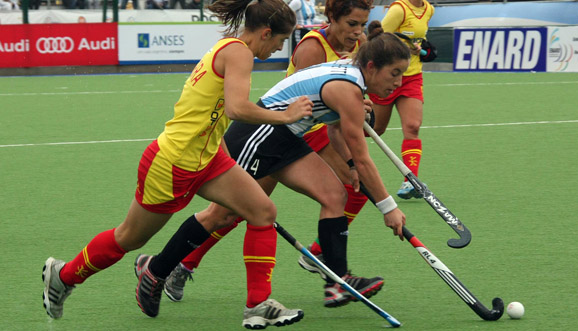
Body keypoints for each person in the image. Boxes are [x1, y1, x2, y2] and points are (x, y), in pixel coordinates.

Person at [42, 0, 313, 328]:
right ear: (266, 32)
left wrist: (222, 152)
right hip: (172, 163)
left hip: (207, 158)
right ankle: (63, 276)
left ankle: (257, 304)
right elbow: (236, 109)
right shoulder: (239, 52)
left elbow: (212, 115)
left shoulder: (231, 49)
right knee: (129, 238)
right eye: (280, 42)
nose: (280, 49)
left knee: (263, 212)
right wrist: (286, 116)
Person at [144, 31, 410, 318]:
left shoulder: (351, 78)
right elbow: (363, 155)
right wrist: (388, 207)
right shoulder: (348, 88)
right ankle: (156, 270)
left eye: (402, 74)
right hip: (258, 135)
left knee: (335, 196)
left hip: (287, 138)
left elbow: (334, 129)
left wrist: (351, 165)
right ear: (371, 67)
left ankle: (338, 282)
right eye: (394, 73)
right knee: (220, 215)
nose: (398, 82)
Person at [368, 0, 434, 199]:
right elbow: (378, 40)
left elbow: (422, 41)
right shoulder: (399, 9)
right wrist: (403, 49)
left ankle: (410, 181)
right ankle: (337, 155)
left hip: (412, 77)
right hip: (387, 76)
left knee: (413, 126)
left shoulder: (429, 9)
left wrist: (420, 50)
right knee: (375, 129)